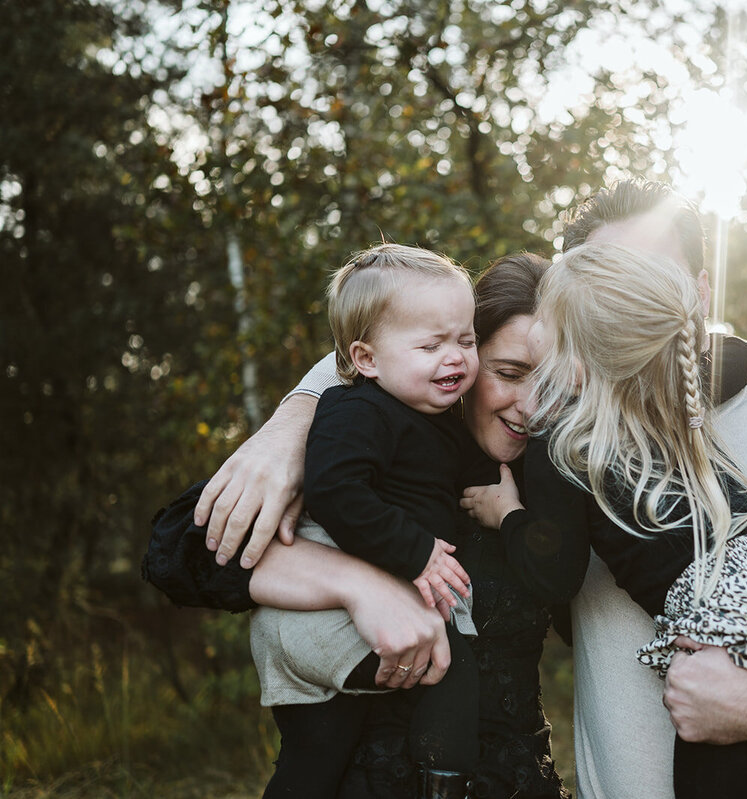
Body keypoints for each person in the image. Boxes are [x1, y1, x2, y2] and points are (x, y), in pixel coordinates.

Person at [189, 179, 747, 799]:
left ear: (697, 289)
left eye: (644, 279)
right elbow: (413, 338)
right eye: (594, 288)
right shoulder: (553, 439)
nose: (615, 306)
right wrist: (299, 413)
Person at [461, 242, 747, 799]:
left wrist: (509, 516)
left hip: (722, 619)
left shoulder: (563, 440)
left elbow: (558, 573)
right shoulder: (655, 400)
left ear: (577, 346)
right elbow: (726, 358)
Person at [144, 253, 570, 799]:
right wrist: (358, 583)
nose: (533, 406)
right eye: (508, 372)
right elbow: (181, 548)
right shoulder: (367, 422)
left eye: (554, 381)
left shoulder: (555, 468)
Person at [251, 243, 481, 798]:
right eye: (430, 345)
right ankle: (444, 781)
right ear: (367, 358)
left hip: (354, 610)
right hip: (318, 612)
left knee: (322, 753)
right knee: (453, 669)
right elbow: (335, 492)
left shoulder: (435, 415)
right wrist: (417, 552)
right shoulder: (357, 411)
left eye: (466, 340)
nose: (454, 357)